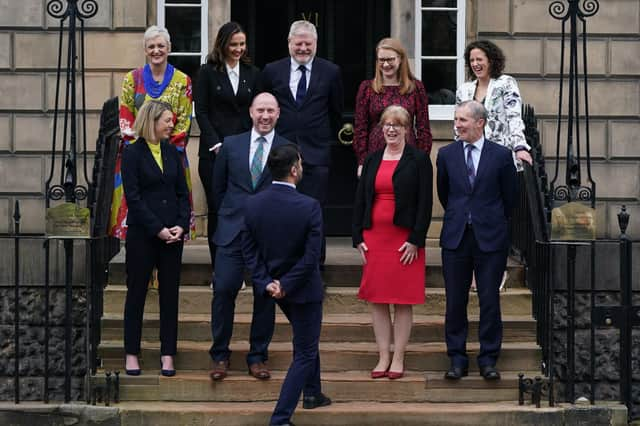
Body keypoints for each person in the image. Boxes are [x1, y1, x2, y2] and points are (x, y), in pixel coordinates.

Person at [243, 143, 331, 426]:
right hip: (302, 289)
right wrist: (286, 284)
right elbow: (312, 257)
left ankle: (313, 393)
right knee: (305, 351)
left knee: (307, 339)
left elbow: (249, 250)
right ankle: (280, 418)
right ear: (294, 170)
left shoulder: (254, 203)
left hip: (275, 288)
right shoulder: (309, 206)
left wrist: (268, 283)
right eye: (301, 164)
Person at [208, 92, 290, 382]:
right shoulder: (231, 145)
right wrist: (230, 217)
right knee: (223, 292)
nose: (265, 116)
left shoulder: (287, 147)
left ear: (278, 113)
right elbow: (217, 189)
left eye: (270, 110)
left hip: (268, 237)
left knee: (264, 296)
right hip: (232, 233)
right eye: (260, 110)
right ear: (251, 113)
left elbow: (291, 192)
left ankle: (257, 356)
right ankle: (220, 355)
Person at [436, 100, 518, 381]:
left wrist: (487, 218)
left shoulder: (501, 155)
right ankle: (457, 358)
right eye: (456, 119)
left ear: (480, 123)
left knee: (489, 300)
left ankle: (488, 358)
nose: (457, 125)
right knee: (455, 302)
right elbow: (445, 195)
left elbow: (511, 199)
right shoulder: (446, 155)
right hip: (456, 238)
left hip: (490, 238)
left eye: (462, 120)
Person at [352, 105, 433, 380]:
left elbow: (425, 204)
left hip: (404, 240)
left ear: (406, 129)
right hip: (375, 237)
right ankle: (382, 355)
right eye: (387, 124)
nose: (391, 129)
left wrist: (415, 240)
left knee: (401, 300)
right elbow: (361, 199)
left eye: (397, 125)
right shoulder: (373, 159)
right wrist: (358, 236)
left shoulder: (419, 159)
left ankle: (398, 357)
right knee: (377, 299)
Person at [260, 20, 344, 267]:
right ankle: (282, 267)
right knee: (281, 214)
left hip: (316, 155)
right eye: (299, 43)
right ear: (289, 44)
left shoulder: (331, 72)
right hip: (281, 155)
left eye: (308, 43)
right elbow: (262, 106)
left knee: (314, 213)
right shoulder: (272, 71)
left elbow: (335, 111)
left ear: (316, 44)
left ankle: (314, 269)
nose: (303, 48)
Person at [120, 100, 190, 377]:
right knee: (136, 293)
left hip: (173, 236)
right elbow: (133, 198)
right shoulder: (132, 154)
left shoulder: (172, 152)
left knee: (170, 296)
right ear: (152, 121)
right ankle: (131, 353)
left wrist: (181, 226)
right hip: (143, 235)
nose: (171, 124)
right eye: (167, 120)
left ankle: (168, 354)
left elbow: (183, 194)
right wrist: (157, 228)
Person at [456, 40, 531, 292]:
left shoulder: (505, 83)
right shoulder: (464, 90)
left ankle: (496, 271)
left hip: (498, 159)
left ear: (491, 60)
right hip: (471, 160)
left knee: (496, 215)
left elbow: (514, 117)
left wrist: (520, 147)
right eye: (472, 60)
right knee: (473, 216)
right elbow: (460, 125)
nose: (476, 64)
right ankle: (478, 272)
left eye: (480, 59)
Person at [111, 25, 195, 241]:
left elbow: (184, 121)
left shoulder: (183, 81)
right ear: (145, 50)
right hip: (137, 155)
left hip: (171, 156)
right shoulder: (132, 79)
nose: (156, 50)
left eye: (160, 46)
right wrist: (141, 148)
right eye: (151, 47)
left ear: (169, 48)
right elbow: (125, 116)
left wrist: (167, 149)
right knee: (140, 209)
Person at [194, 21, 260, 269]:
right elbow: (200, 111)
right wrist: (216, 144)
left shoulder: (253, 73)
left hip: (245, 153)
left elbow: (257, 110)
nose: (238, 49)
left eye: (242, 44)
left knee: (246, 210)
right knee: (218, 211)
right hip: (214, 154)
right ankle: (219, 268)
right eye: (233, 44)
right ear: (222, 45)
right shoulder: (207, 72)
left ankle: (245, 267)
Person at [353, 38, 433, 177]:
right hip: (375, 156)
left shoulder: (416, 88)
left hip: (408, 156)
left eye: (390, 59)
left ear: (400, 59)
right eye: (381, 60)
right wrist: (362, 161)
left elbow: (423, 129)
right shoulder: (367, 88)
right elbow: (360, 128)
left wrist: (421, 160)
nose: (385, 64)